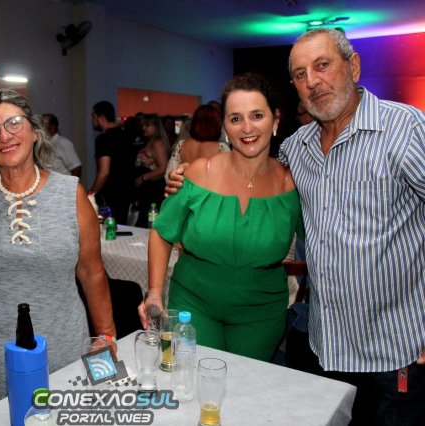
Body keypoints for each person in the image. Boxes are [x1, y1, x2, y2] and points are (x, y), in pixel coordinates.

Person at [168, 28, 425, 425]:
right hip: (328, 345)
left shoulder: (404, 130)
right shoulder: (296, 149)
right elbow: (252, 171)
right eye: (300, 74)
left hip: (397, 350)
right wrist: (186, 178)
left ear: (353, 66)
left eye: (322, 65)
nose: (312, 82)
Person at [140, 73, 301, 361]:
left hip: (261, 314)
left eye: (257, 115)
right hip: (193, 304)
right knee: (194, 377)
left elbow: (323, 242)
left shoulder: (293, 185)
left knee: (246, 385)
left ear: (275, 120)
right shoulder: (197, 173)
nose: (247, 128)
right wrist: (154, 291)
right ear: (225, 127)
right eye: (236, 118)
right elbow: (163, 232)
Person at [0, 90, 116, 401]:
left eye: (13, 123)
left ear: (35, 131)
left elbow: (92, 272)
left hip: (67, 343)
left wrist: (106, 338)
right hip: (0, 351)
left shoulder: (70, 193)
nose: (4, 136)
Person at [89, 101, 135, 224]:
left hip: (112, 195)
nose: (92, 120)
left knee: (109, 229)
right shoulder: (126, 135)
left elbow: (104, 171)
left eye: (93, 116)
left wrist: (91, 192)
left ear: (101, 118)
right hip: (128, 192)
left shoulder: (103, 139)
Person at [133, 113, 170, 228]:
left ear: (156, 127)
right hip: (148, 189)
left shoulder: (157, 143)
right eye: (143, 125)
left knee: (149, 221)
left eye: (147, 125)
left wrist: (143, 178)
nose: (144, 128)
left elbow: (163, 168)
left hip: (154, 189)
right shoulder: (150, 142)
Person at [41, 113, 82, 177]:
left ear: (52, 127)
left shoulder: (63, 143)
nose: (39, 128)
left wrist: (71, 183)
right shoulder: (45, 144)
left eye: (42, 125)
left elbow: (76, 167)